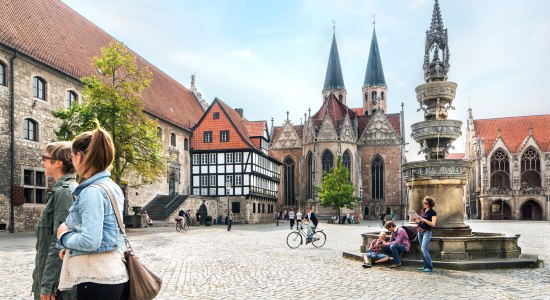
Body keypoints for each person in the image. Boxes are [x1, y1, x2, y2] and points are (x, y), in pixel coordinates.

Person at [56, 125, 128, 299]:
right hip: (112, 274)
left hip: (96, 278)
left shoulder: (92, 192)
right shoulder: (113, 187)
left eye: (72, 157)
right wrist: (73, 247)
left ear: (79, 156)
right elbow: (105, 234)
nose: (72, 162)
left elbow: (90, 241)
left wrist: (64, 236)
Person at [32, 142, 78, 300]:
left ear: (58, 163)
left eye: (45, 157)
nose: (42, 162)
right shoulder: (63, 189)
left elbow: (59, 241)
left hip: (57, 282)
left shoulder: (64, 192)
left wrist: (48, 284)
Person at [414, 196, 437, 272]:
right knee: (422, 250)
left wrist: (424, 219)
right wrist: (416, 220)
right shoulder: (423, 211)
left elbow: (433, 224)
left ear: (430, 203)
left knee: (424, 249)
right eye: (423, 203)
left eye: (426, 203)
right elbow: (420, 222)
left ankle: (429, 267)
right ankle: (425, 266)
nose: (424, 204)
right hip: (420, 232)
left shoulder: (433, 212)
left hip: (427, 232)